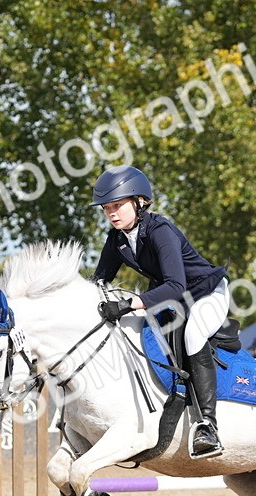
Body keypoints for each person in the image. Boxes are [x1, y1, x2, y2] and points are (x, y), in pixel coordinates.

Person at [90, 165, 228, 459]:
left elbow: (176, 285)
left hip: (205, 293)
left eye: (117, 205)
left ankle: (208, 426)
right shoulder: (116, 239)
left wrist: (129, 304)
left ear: (139, 202)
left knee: (192, 335)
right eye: (106, 208)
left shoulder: (160, 230)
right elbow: (99, 280)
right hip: (172, 300)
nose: (111, 213)